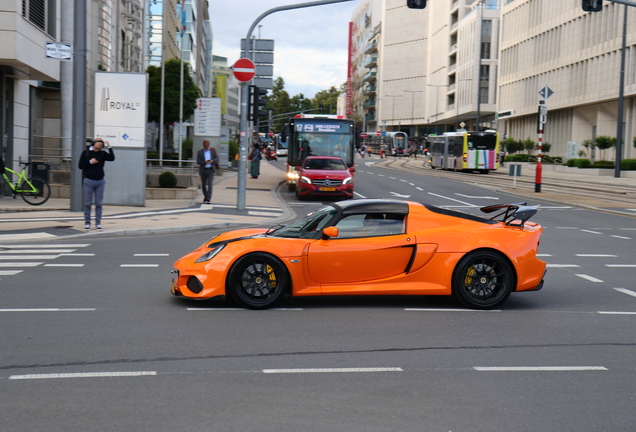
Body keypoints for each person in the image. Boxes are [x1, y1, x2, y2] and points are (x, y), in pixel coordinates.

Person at [78, 138, 115, 231]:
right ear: (93, 144)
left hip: (100, 181)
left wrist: (109, 147)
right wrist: (90, 162)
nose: (98, 148)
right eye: (97, 146)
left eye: (100, 146)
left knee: (98, 203)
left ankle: (98, 223)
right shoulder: (85, 153)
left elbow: (112, 158)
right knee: (87, 203)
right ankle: (87, 223)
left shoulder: (102, 153)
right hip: (88, 180)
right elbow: (80, 165)